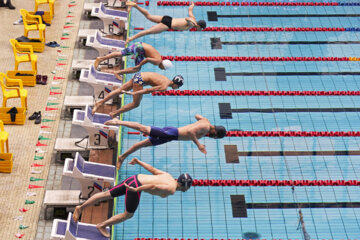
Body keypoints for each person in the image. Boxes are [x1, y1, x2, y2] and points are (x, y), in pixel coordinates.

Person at [72, 157, 193, 238]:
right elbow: (152, 186)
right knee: (128, 214)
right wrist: (136, 190)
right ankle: (102, 225)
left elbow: (153, 169)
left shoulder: (169, 176)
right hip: (136, 186)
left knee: (106, 194)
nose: (188, 189)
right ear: (184, 185)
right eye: (188, 187)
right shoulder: (171, 189)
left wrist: (139, 161)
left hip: (134, 178)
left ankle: (80, 208)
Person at [105, 114, 227, 169]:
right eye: (215, 137)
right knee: (143, 128)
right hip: (172, 134)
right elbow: (190, 132)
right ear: (216, 133)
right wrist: (199, 145)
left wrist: (199, 124)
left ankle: (122, 157)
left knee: (143, 144)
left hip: (171, 135)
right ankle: (117, 122)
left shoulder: (205, 122)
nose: (213, 138)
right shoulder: (206, 127)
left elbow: (197, 116)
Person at [92, 72, 184, 117]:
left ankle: (99, 103)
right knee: (135, 104)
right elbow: (147, 90)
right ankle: (114, 113)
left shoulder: (166, 79)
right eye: (178, 87)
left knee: (120, 90)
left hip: (138, 75)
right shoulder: (164, 87)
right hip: (140, 81)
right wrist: (135, 92)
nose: (177, 89)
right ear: (176, 84)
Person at [125, 1, 206, 45]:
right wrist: (191, 22)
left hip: (168, 18)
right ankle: (130, 38)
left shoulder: (193, 18)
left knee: (149, 16)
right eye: (201, 29)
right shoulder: (192, 23)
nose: (200, 30)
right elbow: (187, 18)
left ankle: (135, 6)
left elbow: (190, 10)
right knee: (148, 32)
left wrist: (192, 5)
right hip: (167, 24)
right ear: (199, 26)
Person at [94, 42, 173, 74]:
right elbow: (147, 59)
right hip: (140, 49)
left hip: (139, 44)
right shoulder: (157, 62)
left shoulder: (159, 57)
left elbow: (147, 54)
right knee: (137, 69)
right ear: (163, 66)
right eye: (164, 69)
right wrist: (139, 65)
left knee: (120, 53)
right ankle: (117, 73)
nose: (162, 69)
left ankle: (100, 59)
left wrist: (136, 54)